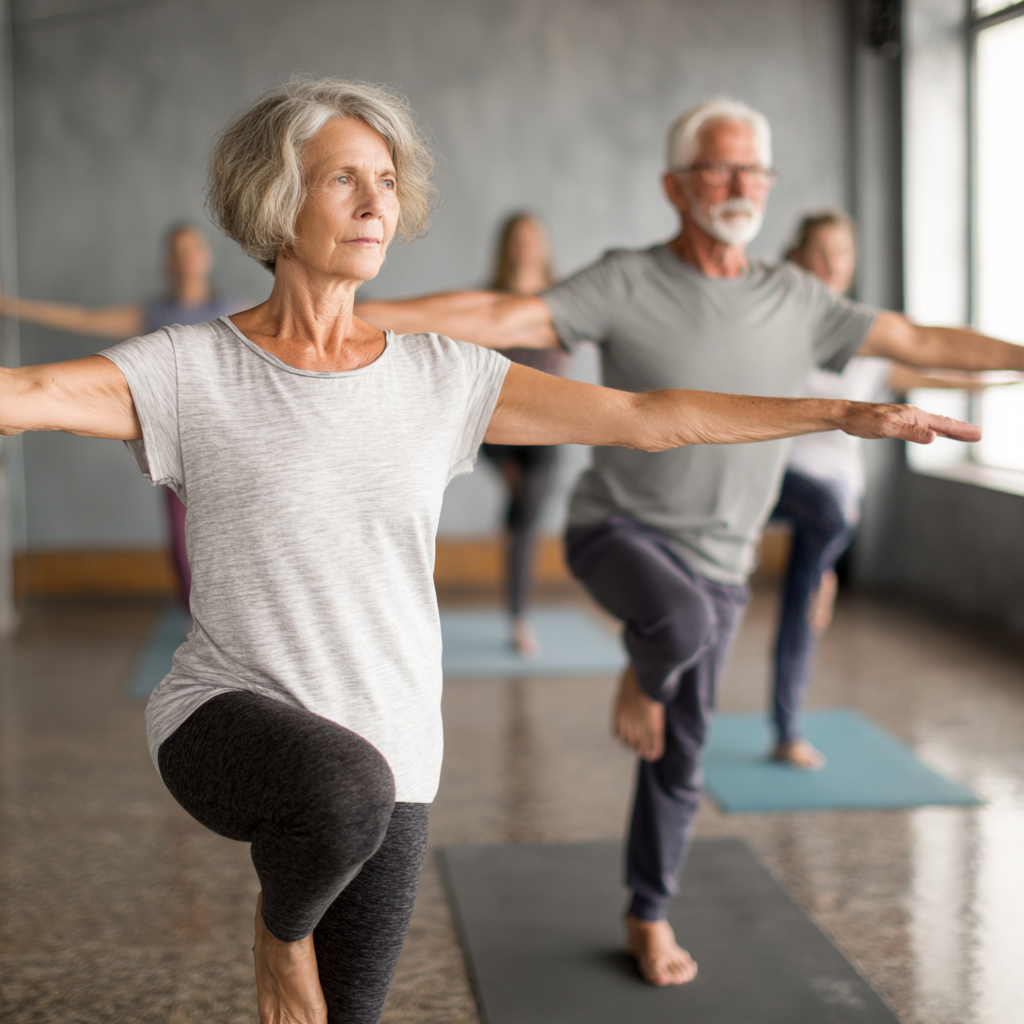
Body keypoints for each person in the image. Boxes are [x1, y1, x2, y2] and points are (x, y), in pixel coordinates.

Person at [0, 78, 976, 1023]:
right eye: (344, 177)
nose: (375, 201)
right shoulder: (188, 369)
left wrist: (839, 411)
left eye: (386, 180)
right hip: (225, 713)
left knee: (355, 998)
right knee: (341, 793)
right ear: (275, 194)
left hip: (397, 742)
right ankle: (277, 929)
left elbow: (646, 416)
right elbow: (28, 395)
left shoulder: (439, 375)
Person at [355, 96, 1024, 988]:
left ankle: (647, 911)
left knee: (685, 751)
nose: (742, 185)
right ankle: (645, 665)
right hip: (617, 531)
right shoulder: (625, 279)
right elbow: (501, 315)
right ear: (676, 185)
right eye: (721, 167)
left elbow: (920, 336)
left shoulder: (797, 298)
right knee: (677, 626)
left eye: (757, 170)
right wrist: (350, 308)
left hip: (724, 560)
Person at [770, 210, 1012, 770]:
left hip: (833, 500)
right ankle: (821, 569)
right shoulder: (780, 323)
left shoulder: (872, 347)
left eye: (843, 253)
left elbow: (952, 368)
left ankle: (787, 729)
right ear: (798, 256)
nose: (832, 263)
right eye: (820, 251)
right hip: (780, 479)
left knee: (803, 602)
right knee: (828, 516)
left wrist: (1012, 369)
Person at [0, 224, 242, 606]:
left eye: (193, 249)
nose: (187, 258)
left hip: (225, 442)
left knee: (229, 534)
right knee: (181, 538)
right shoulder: (156, 313)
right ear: (169, 263)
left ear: (206, 257)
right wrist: (11, 306)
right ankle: (192, 611)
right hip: (176, 441)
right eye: (179, 251)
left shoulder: (233, 313)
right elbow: (83, 318)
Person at [480, 213, 570, 655]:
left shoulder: (560, 299)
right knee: (523, 513)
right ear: (507, 246)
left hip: (546, 429)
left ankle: (518, 617)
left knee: (526, 517)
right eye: (518, 239)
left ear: (544, 247)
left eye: (533, 239)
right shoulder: (487, 299)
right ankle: (518, 614)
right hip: (495, 426)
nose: (526, 247)